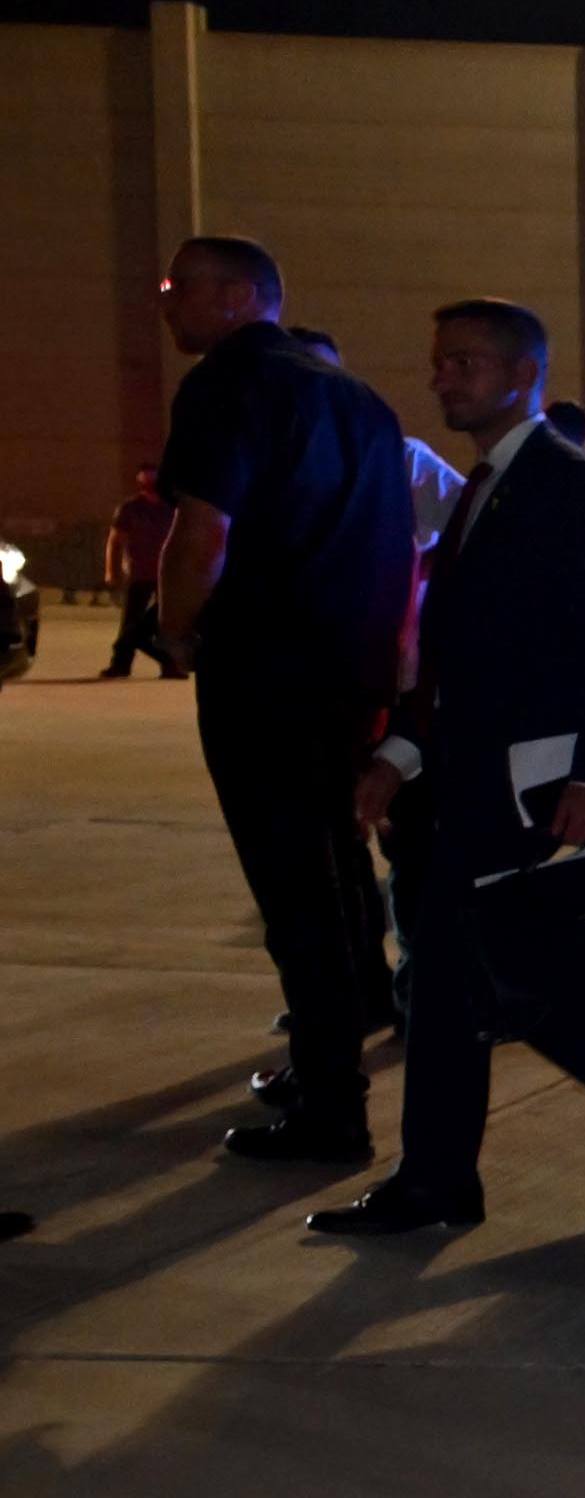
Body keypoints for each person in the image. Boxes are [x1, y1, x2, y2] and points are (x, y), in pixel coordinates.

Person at [310, 301, 585, 1237]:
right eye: (438, 361)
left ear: (524, 373)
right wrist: (401, 754)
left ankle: (439, 1180)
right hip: (464, 773)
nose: (443, 377)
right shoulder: (483, 487)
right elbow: (462, 658)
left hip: (528, 781)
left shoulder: (574, 489)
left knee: (464, 972)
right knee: (478, 975)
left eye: (465, 362)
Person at [149, 235, 413, 1162]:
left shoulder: (229, 384)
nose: (165, 302)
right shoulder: (361, 400)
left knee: (292, 887)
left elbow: (202, 530)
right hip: (347, 675)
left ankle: (331, 1106)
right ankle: (333, 1052)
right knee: (333, 867)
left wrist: (176, 627)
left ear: (234, 296)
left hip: (266, 671)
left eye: (176, 287)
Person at [99, 464, 174, 674]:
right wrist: (111, 571)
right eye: (146, 482)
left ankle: (169, 664)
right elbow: (115, 541)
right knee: (130, 622)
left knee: (165, 624)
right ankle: (121, 663)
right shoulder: (130, 508)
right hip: (138, 573)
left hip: (166, 575)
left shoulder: (170, 508)